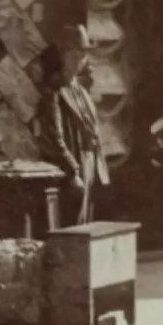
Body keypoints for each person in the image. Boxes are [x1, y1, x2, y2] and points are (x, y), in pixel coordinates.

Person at [49, 24, 115, 229]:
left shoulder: (82, 92)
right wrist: (73, 172)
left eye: (83, 54)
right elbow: (56, 138)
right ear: (62, 55)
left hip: (90, 162)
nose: (79, 59)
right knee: (72, 226)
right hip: (74, 166)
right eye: (74, 54)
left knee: (87, 224)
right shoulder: (55, 93)